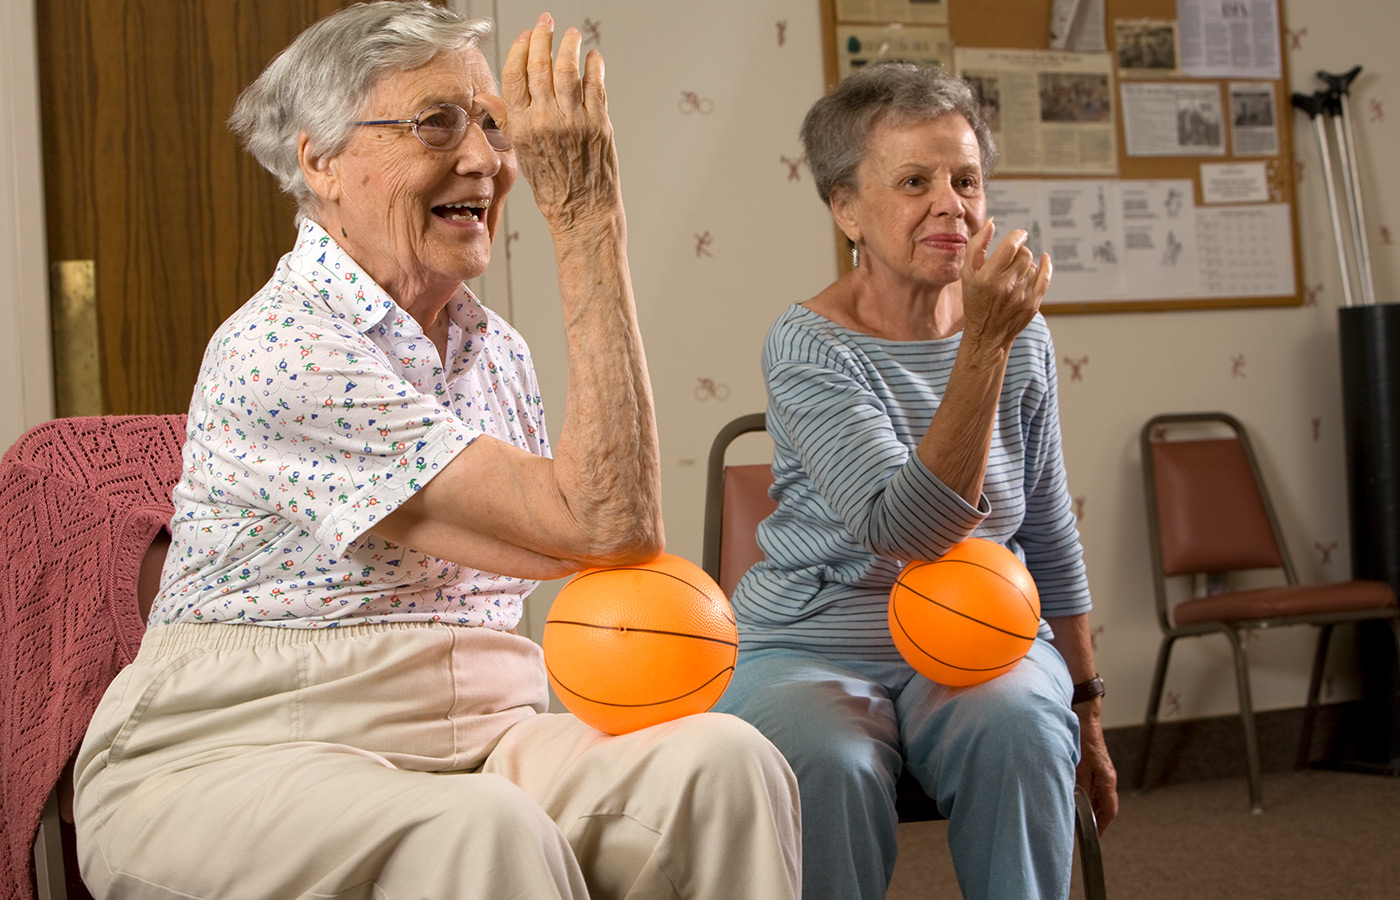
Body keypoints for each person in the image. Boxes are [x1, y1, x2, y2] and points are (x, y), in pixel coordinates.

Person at [71, 4, 801, 899]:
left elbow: (597, 538)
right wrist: (584, 215)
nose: (487, 159)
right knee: (482, 833)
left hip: (478, 735)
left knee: (724, 765)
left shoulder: (496, 349)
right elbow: (601, 524)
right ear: (319, 160)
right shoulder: (282, 351)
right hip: (235, 748)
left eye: (493, 123)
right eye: (436, 123)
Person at [713, 62, 1118, 900]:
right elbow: (903, 529)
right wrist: (983, 350)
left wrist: (1086, 703)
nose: (952, 204)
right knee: (829, 762)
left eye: (966, 179)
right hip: (809, 643)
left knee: (1024, 732)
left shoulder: (1019, 336)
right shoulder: (810, 345)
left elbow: (1045, 528)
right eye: (914, 181)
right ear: (845, 207)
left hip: (981, 642)